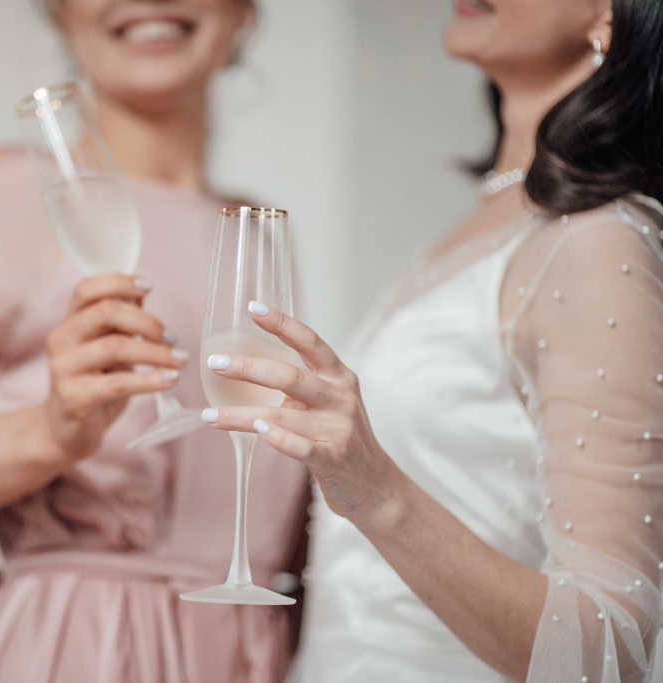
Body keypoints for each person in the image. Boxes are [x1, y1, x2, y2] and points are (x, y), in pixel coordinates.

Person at [0, 1, 310, 682]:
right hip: (78, 649)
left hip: (247, 653)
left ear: (244, 11)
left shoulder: (256, 236)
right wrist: (52, 434)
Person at [199, 0, 663, 681]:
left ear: (613, 17)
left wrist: (377, 491)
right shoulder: (484, 224)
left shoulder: (601, 243)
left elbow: (610, 652)